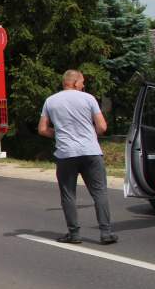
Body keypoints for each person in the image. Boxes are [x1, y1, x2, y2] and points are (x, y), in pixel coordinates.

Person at [38, 69, 118, 244]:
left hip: (66, 154)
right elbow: (102, 127)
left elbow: (42, 129)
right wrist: (90, 135)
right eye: (82, 82)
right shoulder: (88, 98)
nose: (84, 85)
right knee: (99, 193)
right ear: (74, 82)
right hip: (90, 152)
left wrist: (58, 134)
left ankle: (74, 234)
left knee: (68, 195)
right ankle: (106, 233)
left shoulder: (50, 101)